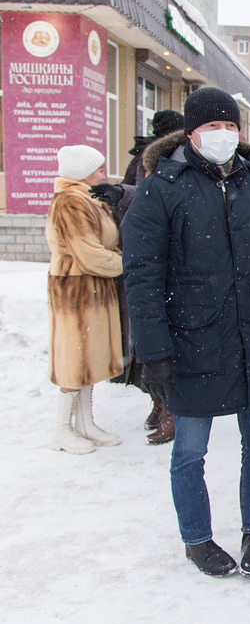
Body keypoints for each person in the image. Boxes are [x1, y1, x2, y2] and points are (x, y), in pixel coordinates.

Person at [122, 87, 250, 579]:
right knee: (189, 451)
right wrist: (154, 352)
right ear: (191, 133)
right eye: (212, 127)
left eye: (230, 127)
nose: (223, 135)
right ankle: (197, 540)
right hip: (192, 341)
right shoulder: (161, 187)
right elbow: (142, 276)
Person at [90, 108, 185, 445]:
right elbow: (143, 195)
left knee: (171, 339)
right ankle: (157, 401)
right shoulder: (143, 160)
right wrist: (120, 194)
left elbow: (164, 197)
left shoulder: (183, 161)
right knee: (144, 337)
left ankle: (173, 408)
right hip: (141, 257)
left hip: (174, 265)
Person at [46, 144, 123, 454]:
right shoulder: (70, 203)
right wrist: (125, 262)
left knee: (88, 358)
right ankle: (61, 429)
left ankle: (86, 423)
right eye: (98, 169)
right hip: (77, 292)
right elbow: (88, 253)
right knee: (74, 360)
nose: (103, 174)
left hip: (92, 288)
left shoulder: (86, 199)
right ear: (83, 173)